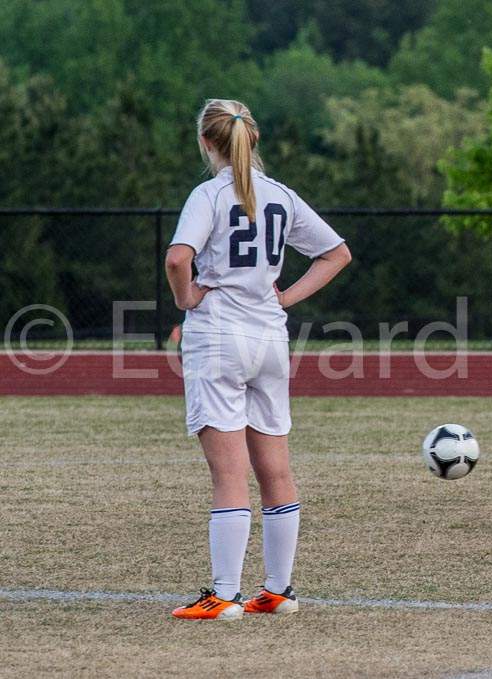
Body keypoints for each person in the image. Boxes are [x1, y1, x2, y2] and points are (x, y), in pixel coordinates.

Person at [165, 99, 352, 619]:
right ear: (254, 139)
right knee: (276, 470)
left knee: (229, 475)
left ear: (206, 142)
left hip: (219, 337)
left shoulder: (209, 194)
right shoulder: (280, 195)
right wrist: (286, 297)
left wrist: (186, 299)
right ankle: (278, 590)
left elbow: (179, 257)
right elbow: (337, 252)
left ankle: (224, 595)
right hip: (270, 340)